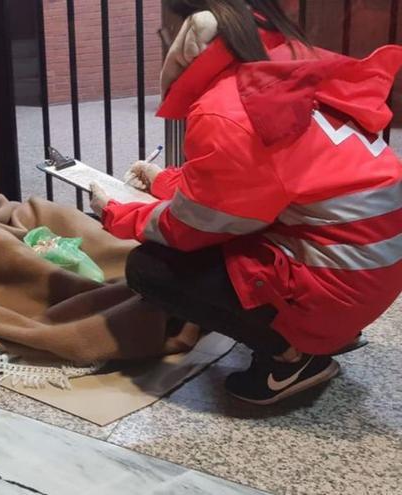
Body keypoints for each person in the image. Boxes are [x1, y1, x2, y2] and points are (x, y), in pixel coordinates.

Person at [91, 0, 402, 405]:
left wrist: (117, 213)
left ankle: (293, 359)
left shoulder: (226, 107)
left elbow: (192, 228)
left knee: (150, 268)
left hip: (332, 288)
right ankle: (331, 331)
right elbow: (254, 188)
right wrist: (166, 181)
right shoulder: (285, 78)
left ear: (188, 32)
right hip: (369, 276)